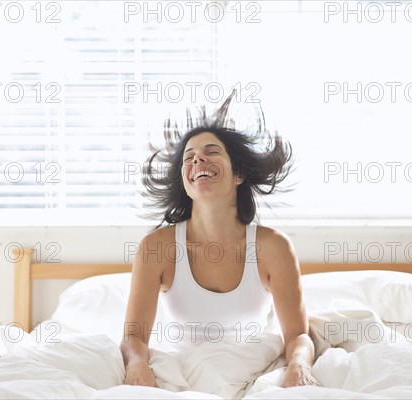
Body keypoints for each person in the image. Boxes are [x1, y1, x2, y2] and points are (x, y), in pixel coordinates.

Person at [120, 92, 320, 389]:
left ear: (237, 173)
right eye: (189, 157)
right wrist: (138, 366)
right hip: (184, 374)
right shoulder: (157, 247)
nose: (198, 158)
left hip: (254, 370)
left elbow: (297, 336)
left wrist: (299, 365)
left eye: (211, 152)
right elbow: (133, 338)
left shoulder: (273, 247)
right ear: (185, 182)